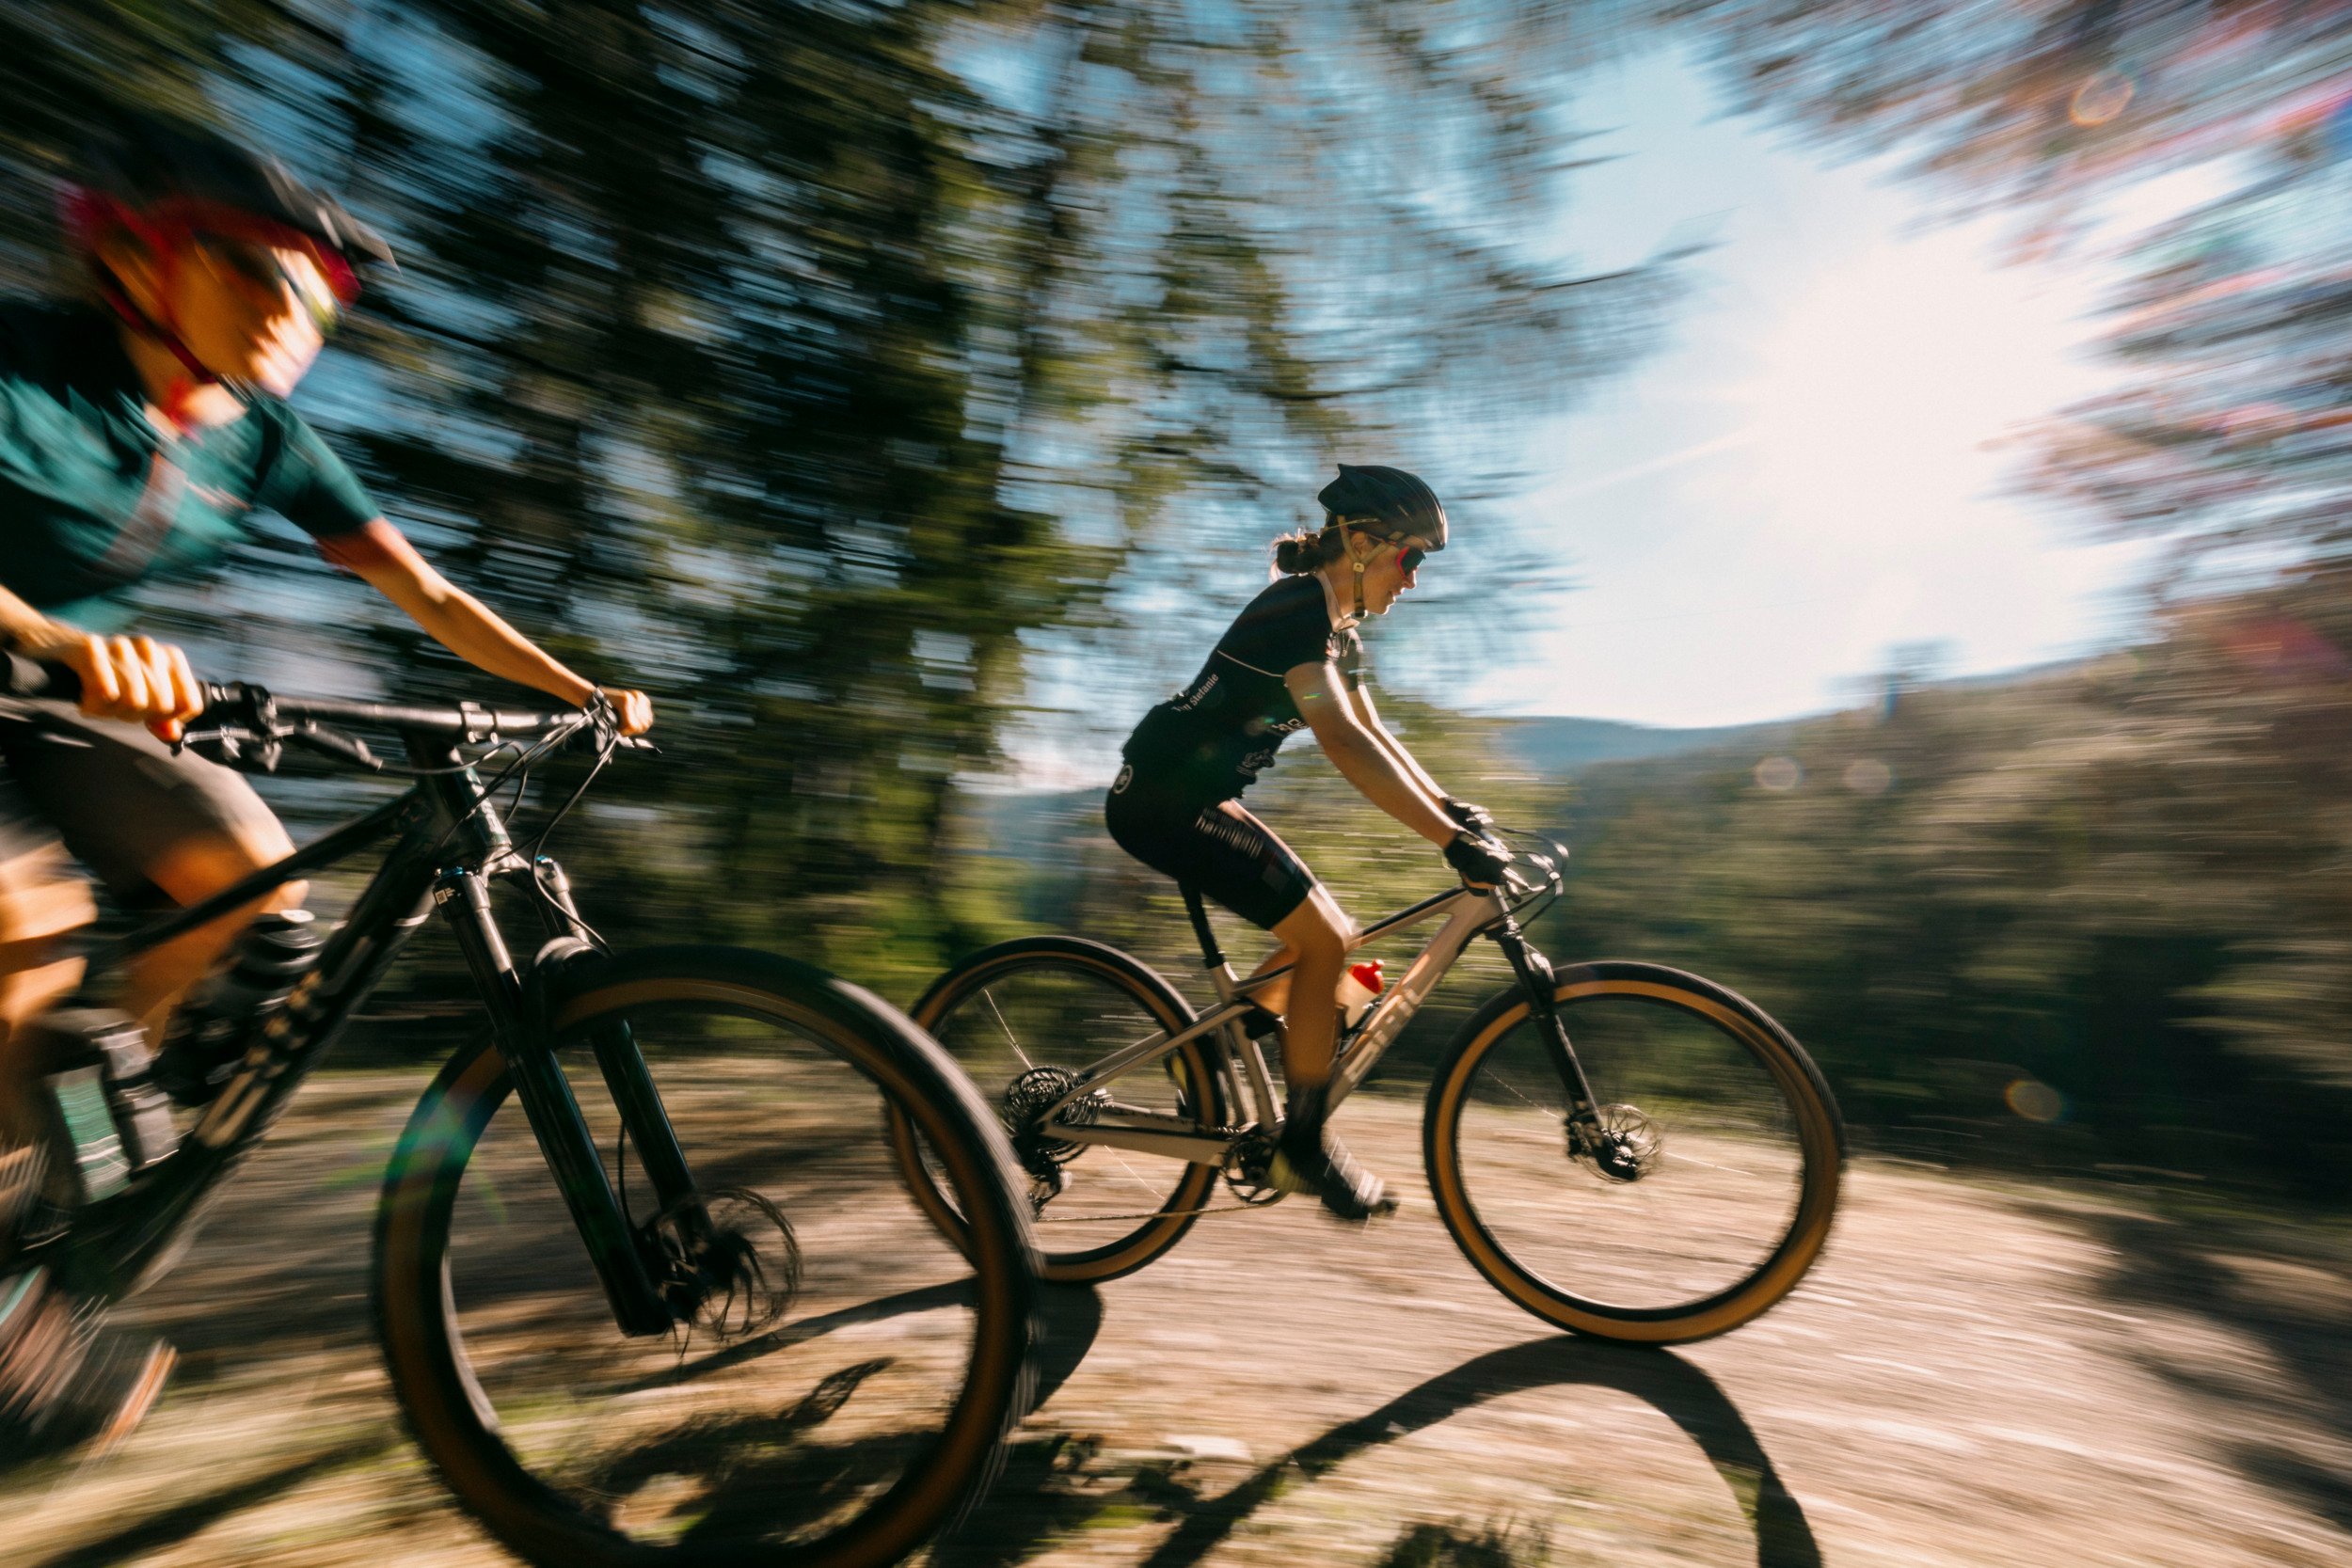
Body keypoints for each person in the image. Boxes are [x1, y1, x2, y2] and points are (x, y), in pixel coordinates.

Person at [0, 111, 652, 1463]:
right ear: (137, 261)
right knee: (26, 920)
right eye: (257, 271)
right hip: (42, 663)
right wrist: (65, 639)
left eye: (321, 289)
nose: (300, 309)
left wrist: (575, 690)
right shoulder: (27, 365)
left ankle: (64, 1123)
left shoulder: (260, 435)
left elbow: (428, 592)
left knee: (247, 869)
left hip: (42, 700)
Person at [1105, 464, 1513, 1221]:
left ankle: (1212, 1057)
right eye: (1411, 558)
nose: (1415, 581)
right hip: (1161, 802)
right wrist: (1449, 844)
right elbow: (1344, 748)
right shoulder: (1296, 612)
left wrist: (1451, 811)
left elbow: (1375, 737)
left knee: (1345, 953)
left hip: (1195, 797)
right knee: (1329, 946)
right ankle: (1302, 1146)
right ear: (1361, 543)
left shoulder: (1337, 632)